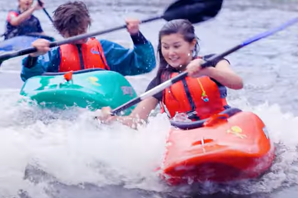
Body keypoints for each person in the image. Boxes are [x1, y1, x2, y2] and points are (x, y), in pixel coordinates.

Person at [98, 19, 244, 129]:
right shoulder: (160, 82)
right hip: (185, 134)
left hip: (221, 125)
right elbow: (135, 120)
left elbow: (237, 83)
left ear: (192, 44)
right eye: (165, 47)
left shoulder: (213, 61)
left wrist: (208, 71)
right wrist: (112, 118)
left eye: (176, 46)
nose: (171, 53)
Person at [20, 1, 156, 81]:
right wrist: (33, 57)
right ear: (61, 32)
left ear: (87, 24)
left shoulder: (106, 49)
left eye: (82, 30)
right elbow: (30, 79)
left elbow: (145, 65)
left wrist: (136, 35)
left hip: (100, 105)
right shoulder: (53, 54)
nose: (79, 36)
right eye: (73, 33)